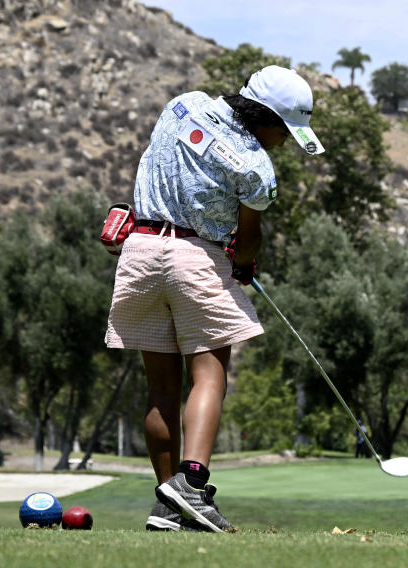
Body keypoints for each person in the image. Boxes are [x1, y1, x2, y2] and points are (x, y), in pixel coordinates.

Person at [104, 66, 324, 533]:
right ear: (265, 118)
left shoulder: (183, 105)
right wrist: (244, 264)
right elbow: (247, 242)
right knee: (210, 375)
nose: (283, 142)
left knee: (161, 388)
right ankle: (192, 484)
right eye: (283, 131)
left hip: (139, 252)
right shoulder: (257, 166)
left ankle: (168, 509)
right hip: (195, 261)